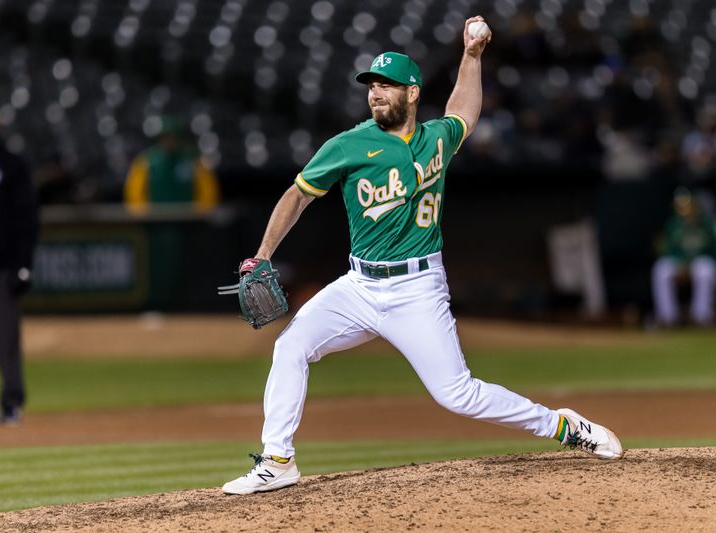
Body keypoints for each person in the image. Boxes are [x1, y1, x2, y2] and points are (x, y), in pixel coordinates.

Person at [222, 17, 623, 496]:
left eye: (387, 85)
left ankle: (563, 427)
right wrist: (263, 255)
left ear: (411, 93)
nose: (376, 93)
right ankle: (278, 460)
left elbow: (465, 112)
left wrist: (472, 57)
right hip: (359, 286)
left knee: (458, 394)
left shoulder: (436, 138)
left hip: (417, 288)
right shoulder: (349, 145)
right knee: (291, 347)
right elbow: (297, 195)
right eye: (372, 85)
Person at [0, 96, 38, 425]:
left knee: (5, 338)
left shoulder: (10, 165)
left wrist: (23, 263)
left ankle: (11, 403)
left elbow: (26, 219)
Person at [651, 187, 716, 326]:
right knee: (660, 269)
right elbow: (666, 250)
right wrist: (681, 264)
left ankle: (702, 316)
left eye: (689, 205)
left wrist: (690, 264)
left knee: (704, 269)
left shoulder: (707, 224)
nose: (686, 210)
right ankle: (668, 317)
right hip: (679, 264)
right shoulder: (673, 224)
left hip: (701, 263)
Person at [123, 116, 220, 210]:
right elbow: (134, 193)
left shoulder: (193, 159)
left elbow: (208, 191)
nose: (168, 141)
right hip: (155, 219)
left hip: (188, 219)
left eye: (172, 137)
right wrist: (142, 214)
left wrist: (201, 213)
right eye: (165, 137)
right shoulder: (146, 160)